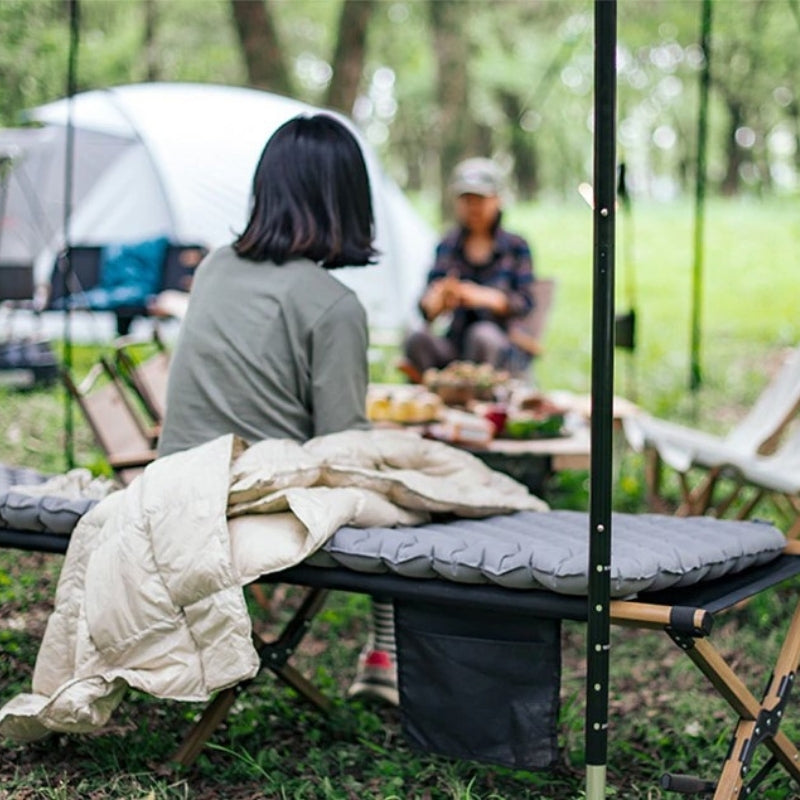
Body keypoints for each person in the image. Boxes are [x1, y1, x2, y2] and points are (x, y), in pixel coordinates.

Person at [157, 114, 398, 705]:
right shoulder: (334, 305)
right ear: (346, 200)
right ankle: (385, 658)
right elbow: (342, 441)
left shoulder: (213, 265)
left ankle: (385, 657)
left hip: (171, 486)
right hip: (248, 497)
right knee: (400, 500)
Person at [403, 157, 536, 381]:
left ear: (497, 200)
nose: (473, 207)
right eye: (467, 200)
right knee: (416, 338)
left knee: (482, 336)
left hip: (501, 345)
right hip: (455, 344)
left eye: (480, 199)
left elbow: (525, 303)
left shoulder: (515, 246)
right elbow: (426, 306)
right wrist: (436, 301)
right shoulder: (448, 245)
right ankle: (436, 394)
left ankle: (483, 401)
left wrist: (482, 297)